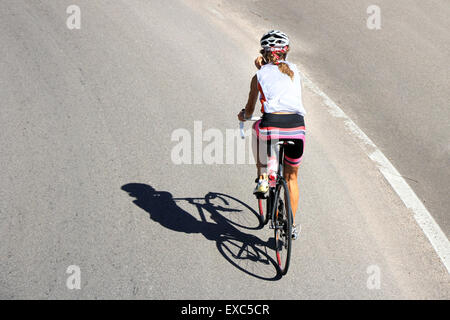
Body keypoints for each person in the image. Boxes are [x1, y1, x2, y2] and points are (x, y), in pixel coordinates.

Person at [237, 30, 306, 240]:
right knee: (292, 177)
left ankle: (263, 177)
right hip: (297, 128)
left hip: (270, 126)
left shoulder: (258, 75)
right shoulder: (295, 70)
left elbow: (250, 110)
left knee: (255, 128)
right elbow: (280, 80)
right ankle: (290, 227)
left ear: (263, 53)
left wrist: (243, 116)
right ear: (286, 53)